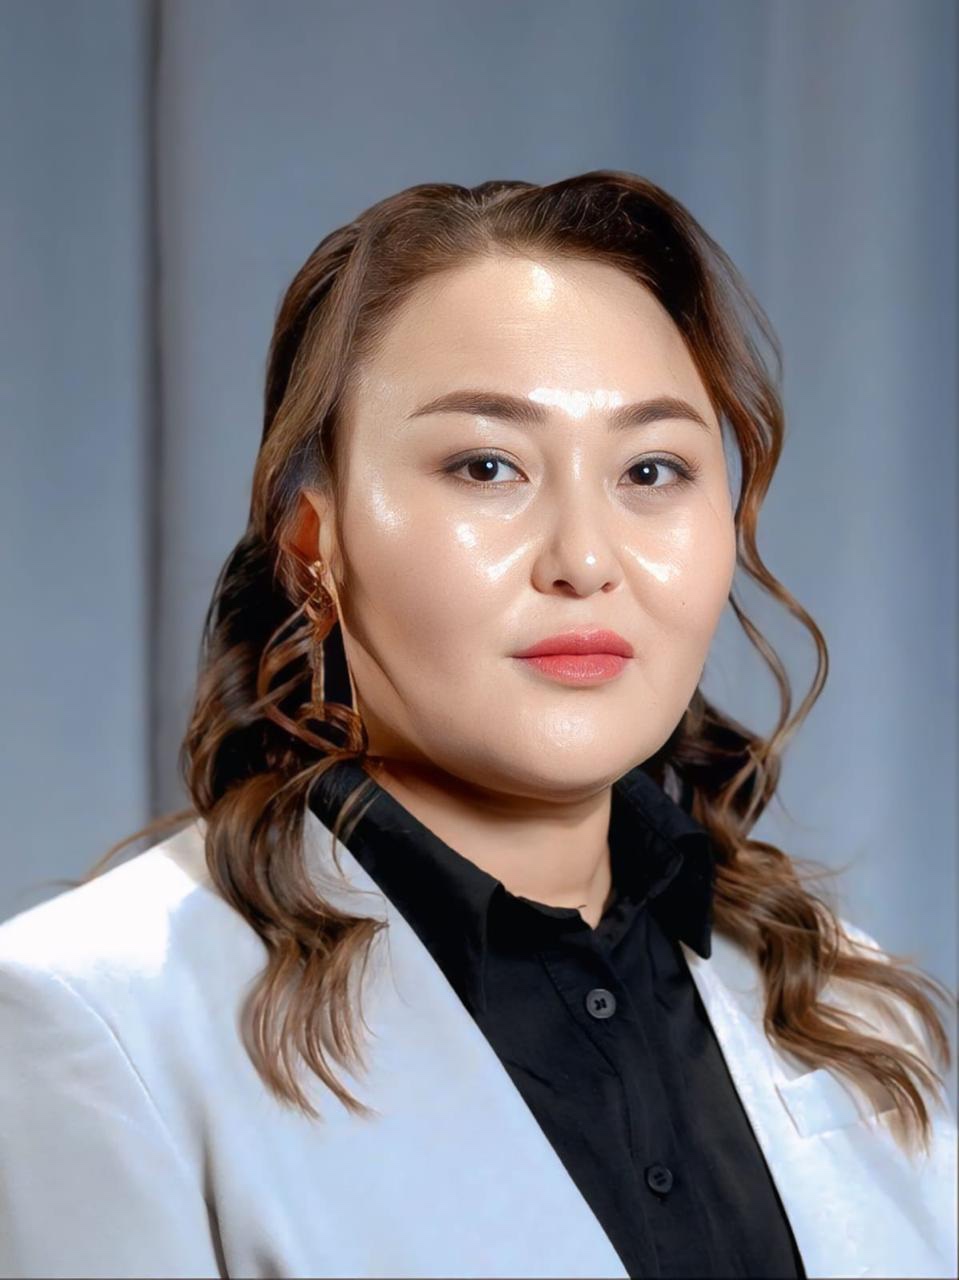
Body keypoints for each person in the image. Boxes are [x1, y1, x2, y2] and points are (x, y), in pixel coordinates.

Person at [0, 171, 955, 1280]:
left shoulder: (847, 1006)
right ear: (313, 551)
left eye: (651, 469)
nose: (583, 559)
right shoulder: (89, 1024)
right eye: (485, 466)